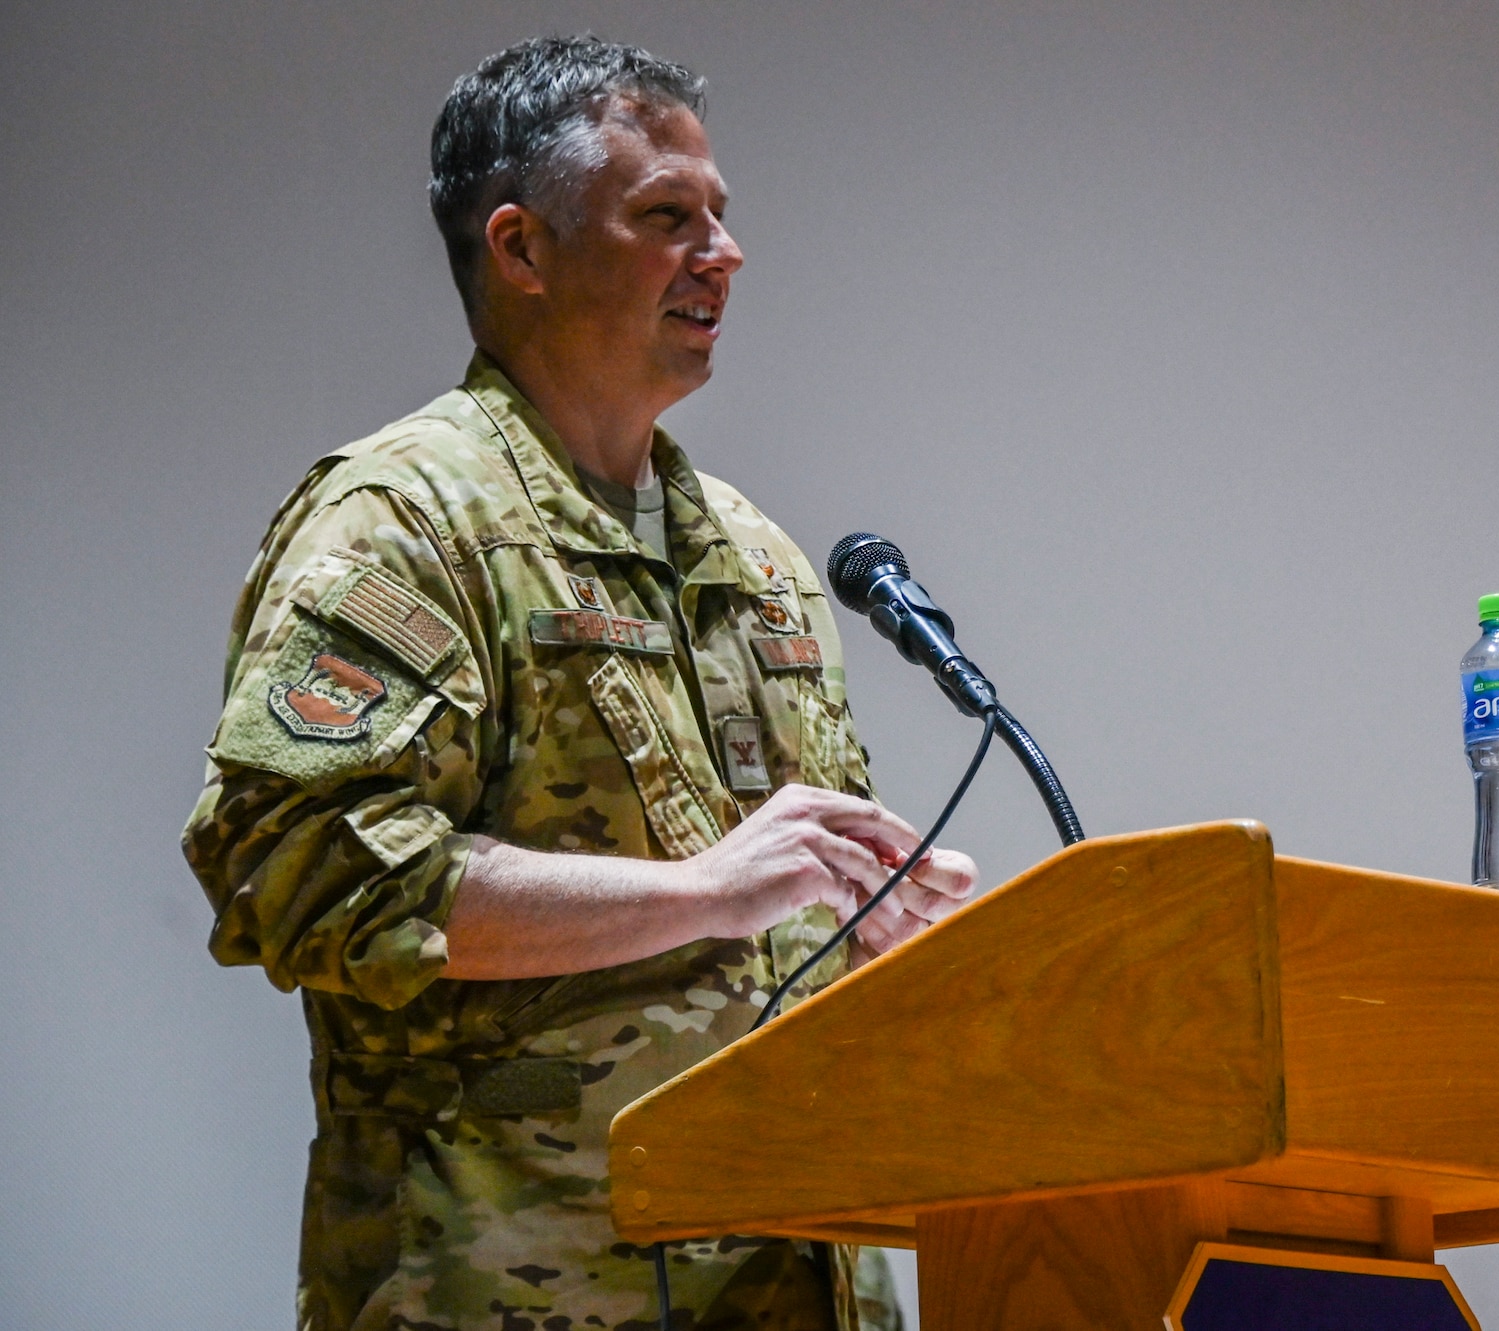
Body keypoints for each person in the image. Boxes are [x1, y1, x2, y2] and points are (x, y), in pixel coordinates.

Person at [181, 34, 977, 1331]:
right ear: (522, 249)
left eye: (721, 216)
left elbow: (793, 912)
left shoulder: (759, 556)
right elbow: (300, 871)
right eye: (666, 216)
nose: (720, 253)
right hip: (513, 1293)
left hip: (804, 1290)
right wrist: (700, 896)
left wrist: (893, 927)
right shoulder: (410, 521)